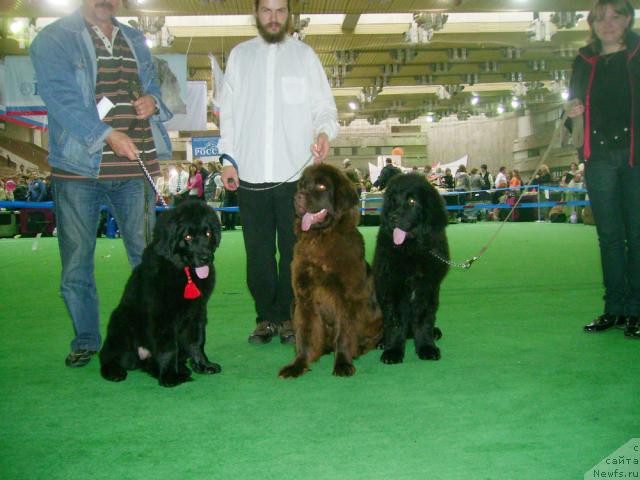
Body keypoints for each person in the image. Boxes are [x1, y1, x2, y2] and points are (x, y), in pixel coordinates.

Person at [29, 0, 173, 367]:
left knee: (149, 260)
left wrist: (152, 101)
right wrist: (106, 134)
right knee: (77, 261)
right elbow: (61, 100)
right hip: (78, 168)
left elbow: (156, 83)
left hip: (135, 166)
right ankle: (87, 339)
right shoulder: (53, 39)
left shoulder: (135, 38)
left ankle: (152, 334)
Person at [218, 0, 338, 345]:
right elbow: (227, 114)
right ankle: (265, 318)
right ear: (256, 13)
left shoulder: (305, 56)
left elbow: (324, 108)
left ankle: (290, 317)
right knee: (257, 255)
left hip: (294, 178)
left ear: (289, 15)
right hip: (250, 175)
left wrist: (323, 132)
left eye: (280, 11)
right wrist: (228, 158)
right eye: (267, 10)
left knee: (293, 253)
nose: (274, 18)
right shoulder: (240, 56)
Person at [567, 0, 640, 337]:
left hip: (634, 156)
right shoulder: (583, 61)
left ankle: (637, 309)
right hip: (597, 157)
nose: (608, 24)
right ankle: (615, 308)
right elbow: (573, 116)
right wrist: (573, 115)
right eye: (600, 19)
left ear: (628, 20)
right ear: (591, 24)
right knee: (609, 238)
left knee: (637, 236)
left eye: (615, 17)